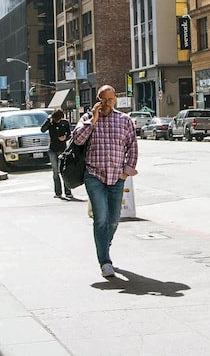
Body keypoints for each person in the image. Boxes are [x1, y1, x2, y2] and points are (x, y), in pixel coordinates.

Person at [72, 84, 138, 278]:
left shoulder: (124, 120)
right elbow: (77, 140)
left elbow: (132, 147)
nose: (108, 103)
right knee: (100, 219)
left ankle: (104, 245)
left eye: (111, 99)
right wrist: (93, 120)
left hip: (117, 177)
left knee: (114, 220)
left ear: (115, 99)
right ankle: (105, 261)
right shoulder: (87, 119)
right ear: (98, 100)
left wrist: (126, 172)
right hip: (94, 175)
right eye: (104, 99)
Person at [42, 108, 74, 199]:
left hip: (63, 149)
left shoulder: (65, 123)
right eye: (56, 119)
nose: (58, 121)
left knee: (64, 170)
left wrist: (65, 138)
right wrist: (48, 120)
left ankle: (68, 191)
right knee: (55, 172)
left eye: (59, 119)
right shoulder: (50, 123)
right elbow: (43, 129)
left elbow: (70, 134)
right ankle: (58, 192)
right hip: (52, 149)